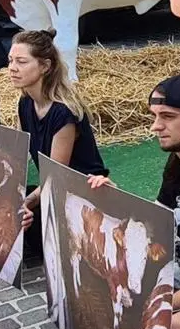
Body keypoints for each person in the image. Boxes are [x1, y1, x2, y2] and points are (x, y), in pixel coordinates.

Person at [88, 72, 180, 329]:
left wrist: (165, 302)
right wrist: (115, 201)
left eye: (168, 117)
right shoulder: (176, 167)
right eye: (155, 116)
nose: (156, 127)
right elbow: (154, 225)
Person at [8, 30, 108, 261]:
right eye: (11, 61)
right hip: (53, 189)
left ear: (45, 66)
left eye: (21, 62)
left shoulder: (63, 113)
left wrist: (28, 202)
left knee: (19, 219)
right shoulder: (25, 103)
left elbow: (56, 176)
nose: (12, 68)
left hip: (81, 195)